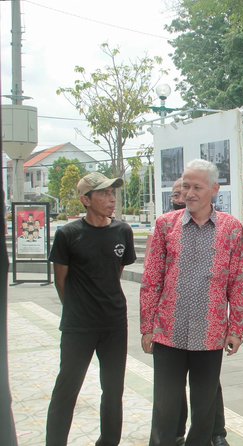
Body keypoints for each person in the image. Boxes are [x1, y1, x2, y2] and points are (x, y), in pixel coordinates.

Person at [140, 159, 243, 445]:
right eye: (185, 186)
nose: (189, 193)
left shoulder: (231, 228)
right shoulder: (166, 225)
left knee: (204, 412)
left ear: (214, 189)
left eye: (197, 187)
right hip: (168, 333)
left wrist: (236, 329)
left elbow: (239, 282)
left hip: (210, 335)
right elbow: (152, 279)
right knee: (165, 409)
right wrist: (147, 327)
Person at [46, 172, 136, 446]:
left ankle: (108, 442)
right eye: (104, 194)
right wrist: (78, 309)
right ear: (86, 200)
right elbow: (61, 281)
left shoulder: (122, 231)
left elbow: (114, 272)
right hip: (78, 327)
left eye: (113, 193)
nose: (111, 199)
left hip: (114, 324)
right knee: (67, 389)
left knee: (112, 391)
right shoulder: (68, 234)